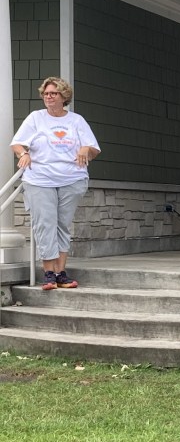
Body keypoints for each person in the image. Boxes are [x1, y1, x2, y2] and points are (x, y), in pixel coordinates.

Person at [10, 77, 101, 290]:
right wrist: (24, 153)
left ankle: (61, 274)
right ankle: (49, 273)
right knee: (45, 224)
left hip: (71, 179)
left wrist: (85, 149)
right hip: (40, 179)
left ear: (64, 97)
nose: (48, 97)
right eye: (46, 93)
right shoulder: (36, 118)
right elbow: (17, 143)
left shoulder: (77, 121)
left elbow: (94, 149)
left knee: (62, 225)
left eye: (54, 93)